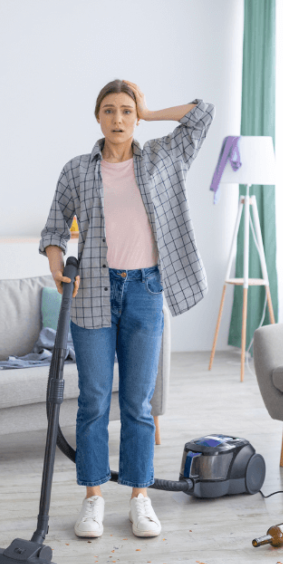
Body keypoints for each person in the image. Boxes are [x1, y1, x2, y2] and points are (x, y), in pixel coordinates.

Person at [39, 79, 214, 538]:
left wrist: (149, 111)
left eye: (126, 112)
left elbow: (202, 113)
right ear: (97, 116)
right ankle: (93, 499)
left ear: (135, 117)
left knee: (138, 402)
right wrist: (58, 267)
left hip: (145, 290)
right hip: (93, 290)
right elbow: (55, 227)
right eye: (110, 111)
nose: (118, 119)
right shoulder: (77, 169)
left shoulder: (161, 156)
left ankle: (140, 497)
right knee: (95, 401)